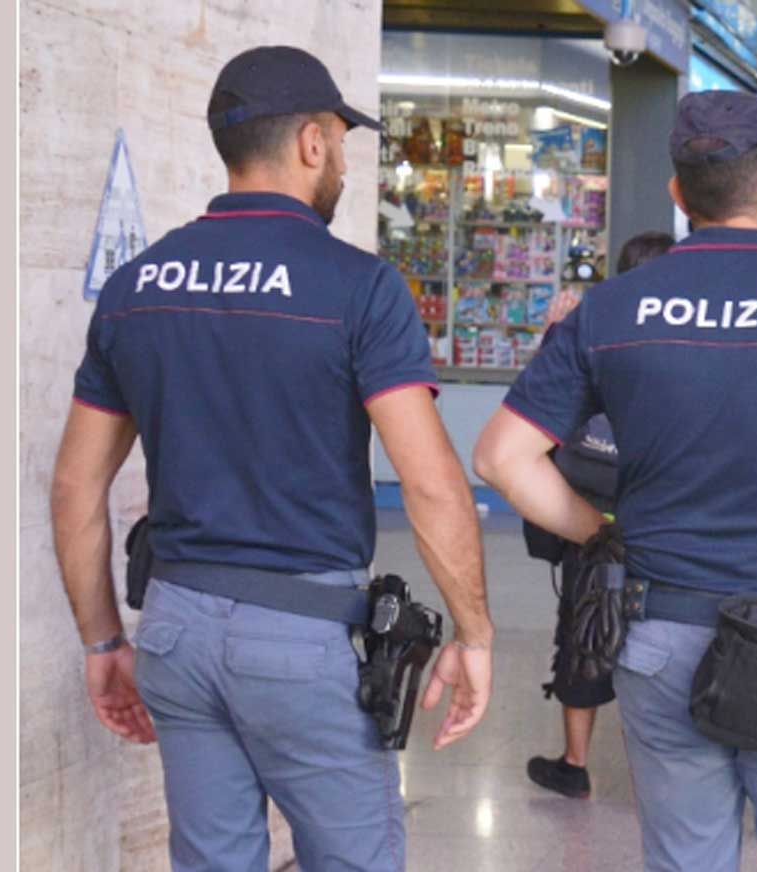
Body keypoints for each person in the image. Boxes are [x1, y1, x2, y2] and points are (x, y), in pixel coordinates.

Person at [472, 90, 757, 872]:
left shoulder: (614, 306)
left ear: (678, 194)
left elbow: (500, 458)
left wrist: (602, 533)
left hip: (660, 633)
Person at [49, 46, 494, 872]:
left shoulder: (136, 287)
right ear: (313, 143)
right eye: (342, 141)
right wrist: (474, 632)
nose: (343, 163)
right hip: (303, 639)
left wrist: (102, 642)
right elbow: (431, 486)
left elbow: (78, 484)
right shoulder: (358, 288)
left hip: (176, 630)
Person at [523, 230, 675, 799]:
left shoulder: (599, 329)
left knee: (587, 630)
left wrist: (551, 339)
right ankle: (656, 774)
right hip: (662, 519)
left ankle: (575, 762)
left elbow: (536, 415)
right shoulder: (687, 339)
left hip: (589, 517)